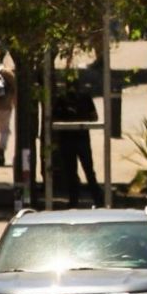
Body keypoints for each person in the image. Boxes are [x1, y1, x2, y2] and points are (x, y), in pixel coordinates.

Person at [53, 75, 101, 208]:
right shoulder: (63, 100)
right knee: (74, 172)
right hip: (74, 140)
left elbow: (94, 117)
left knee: (83, 171)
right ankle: (80, 199)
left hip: (76, 140)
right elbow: (54, 119)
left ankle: (95, 199)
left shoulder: (80, 98)